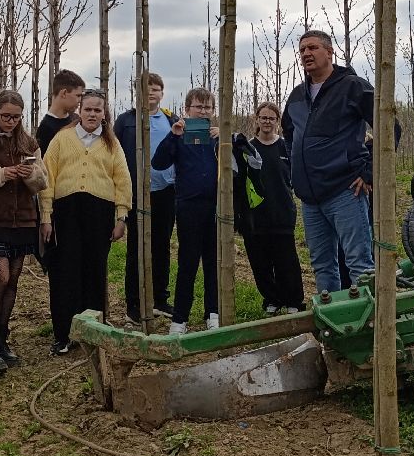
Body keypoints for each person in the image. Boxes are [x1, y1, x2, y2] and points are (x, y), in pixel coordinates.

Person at [39, 88, 132, 355]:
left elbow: (122, 181)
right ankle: (63, 335)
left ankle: (93, 333)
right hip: (65, 214)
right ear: (79, 110)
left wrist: (121, 216)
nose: (92, 114)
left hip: (99, 214)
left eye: (98, 110)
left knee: (94, 271)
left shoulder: (111, 144)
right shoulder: (62, 139)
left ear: (104, 114)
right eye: (88, 109)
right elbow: (47, 178)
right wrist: (46, 216)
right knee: (64, 272)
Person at [282, 30, 375, 292]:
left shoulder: (353, 87)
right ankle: (332, 324)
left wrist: (369, 171)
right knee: (322, 265)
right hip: (310, 199)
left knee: (359, 264)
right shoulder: (298, 95)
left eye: (312, 48)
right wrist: (297, 169)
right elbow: (289, 133)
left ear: (329, 52)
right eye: (302, 50)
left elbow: (390, 126)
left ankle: (368, 325)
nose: (306, 54)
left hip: (344, 191)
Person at [0, 89, 48, 377]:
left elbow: (42, 181)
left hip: (24, 222)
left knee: (14, 281)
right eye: (6, 116)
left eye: (16, 117)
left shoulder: (29, 142)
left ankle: (3, 340)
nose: (11, 122)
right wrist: (1, 174)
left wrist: (30, 175)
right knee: (0, 278)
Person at [152, 87, 222, 333]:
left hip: (215, 207)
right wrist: (173, 135)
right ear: (187, 109)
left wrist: (226, 137)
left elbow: (238, 163)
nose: (203, 111)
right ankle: (180, 318)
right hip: (188, 207)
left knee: (214, 262)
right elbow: (158, 163)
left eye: (207, 108)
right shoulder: (179, 136)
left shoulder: (218, 137)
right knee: (188, 262)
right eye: (198, 107)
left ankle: (213, 313)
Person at [115, 72, 177, 322]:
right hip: (136, 194)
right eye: (146, 88)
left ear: (162, 93)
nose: (151, 92)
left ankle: (160, 299)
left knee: (162, 246)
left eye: (156, 88)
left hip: (166, 192)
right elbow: (116, 155)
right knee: (137, 248)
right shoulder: (126, 120)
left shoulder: (172, 119)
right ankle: (134, 303)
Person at [235, 101, 304, 315]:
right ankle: (271, 299)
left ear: (277, 122)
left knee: (287, 261)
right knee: (260, 262)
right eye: (263, 118)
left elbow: (295, 176)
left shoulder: (285, 147)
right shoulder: (248, 147)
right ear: (256, 120)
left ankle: (293, 301)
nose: (267, 122)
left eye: (271, 118)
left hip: (282, 211)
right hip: (255, 216)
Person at [36, 69, 85, 155]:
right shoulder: (45, 129)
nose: (80, 100)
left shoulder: (77, 120)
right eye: (78, 95)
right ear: (64, 93)